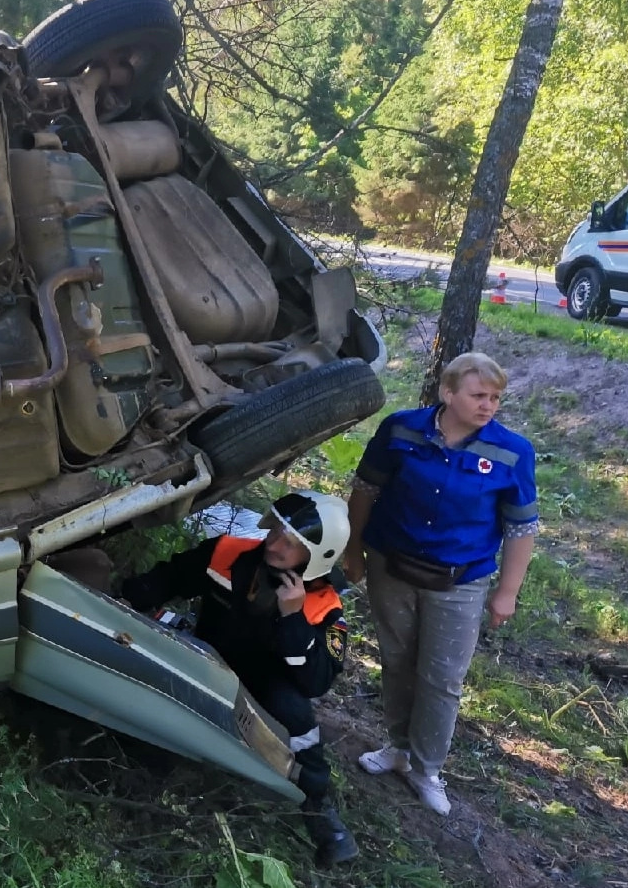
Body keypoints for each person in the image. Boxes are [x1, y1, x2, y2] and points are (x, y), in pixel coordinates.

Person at [343, 351, 537, 817]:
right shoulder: (401, 429)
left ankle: (426, 769)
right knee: (395, 658)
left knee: (442, 677)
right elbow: (365, 490)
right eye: (478, 395)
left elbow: (521, 528)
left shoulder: (513, 452)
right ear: (447, 393)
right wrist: (352, 550)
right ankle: (396, 748)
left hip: (460, 581)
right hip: (391, 566)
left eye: (495, 397)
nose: (488, 405)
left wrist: (506, 591)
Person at [119, 491, 359, 867]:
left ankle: (320, 811)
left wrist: (292, 617)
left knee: (296, 717)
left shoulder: (325, 606)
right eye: (277, 530)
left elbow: (315, 683)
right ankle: (138, 746)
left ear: (316, 556)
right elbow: (169, 578)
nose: (275, 545)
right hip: (207, 654)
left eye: (291, 543)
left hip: (265, 685)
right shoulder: (228, 552)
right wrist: (126, 597)